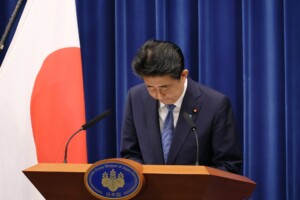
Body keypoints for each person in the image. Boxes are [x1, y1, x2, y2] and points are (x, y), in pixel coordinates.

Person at [120, 39, 242, 174]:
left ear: (183, 75)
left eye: (164, 87)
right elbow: (130, 154)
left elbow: (228, 165)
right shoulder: (135, 97)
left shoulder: (215, 104)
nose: (158, 95)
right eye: (150, 87)